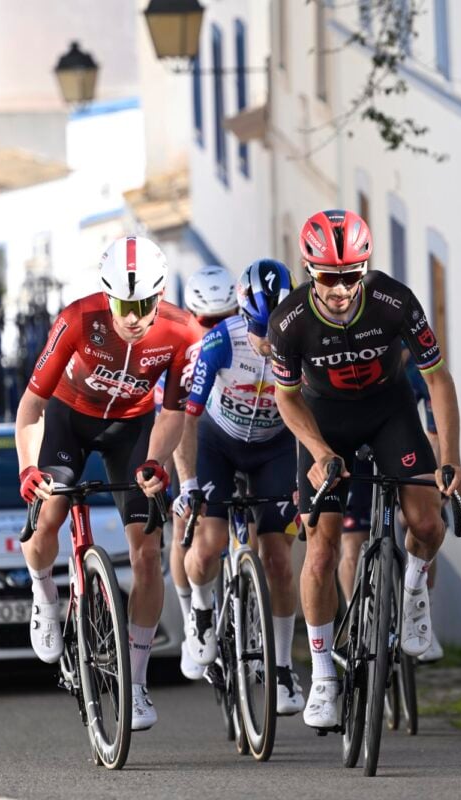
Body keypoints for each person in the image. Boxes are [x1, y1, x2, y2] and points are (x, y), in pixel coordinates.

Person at [268, 209, 461, 730]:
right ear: (311, 270)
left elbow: (439, 380)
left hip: (389, 411)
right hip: (324, 420)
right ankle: (322, 677)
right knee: (321, 550)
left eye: (351, 275)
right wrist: (316, 451)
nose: (340, 289)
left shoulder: (395, 302)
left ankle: (413, 592)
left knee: (427, 524)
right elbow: (286, 399)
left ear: (365, 269)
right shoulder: (289, 321)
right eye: (329, 277)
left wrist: (449, 458)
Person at [14, 235, 200, 732]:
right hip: (69, 423)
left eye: (144, 305)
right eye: (123, 304)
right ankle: (44, 597)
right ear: (107, 294)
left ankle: (136, 684)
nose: (134, 317)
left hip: (132, 432)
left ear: (160, 296)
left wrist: (158, 461)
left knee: (146, 550)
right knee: (47, 516)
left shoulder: (184, 332)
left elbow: (174, 412)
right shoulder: (78, 319)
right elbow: (31, 407)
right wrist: (28, 470)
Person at [171, 259, 306, 715]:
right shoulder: (219, 343)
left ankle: (284, 667)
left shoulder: (304, 336)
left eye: (277, 330)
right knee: (207, 546)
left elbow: (320, 413)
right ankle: (203, 611)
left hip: (277, 447)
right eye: (260, 331)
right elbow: (185, 420)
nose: (270, 343)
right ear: (243, 316)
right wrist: (188, 483)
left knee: (279, 561)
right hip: (218, 443)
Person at [338, 347, 447, 663]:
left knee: (427, 524)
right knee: (351, 541)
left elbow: (434, 434)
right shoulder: (351, 356)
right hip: (355, 453)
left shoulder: (416, 371)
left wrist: (435, 481)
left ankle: (422, 612)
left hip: (401, 447)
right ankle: (356, 620)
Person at [160, 265, 240, 680]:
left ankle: (250, 595)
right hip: (191, 436)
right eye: (208, 320)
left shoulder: (241, 339)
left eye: (227, 316)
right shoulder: (177, 344)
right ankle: (193, 616)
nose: (217, 326)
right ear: (192, 315)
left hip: (240, 433)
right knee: (184, 519)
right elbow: (171, 416)